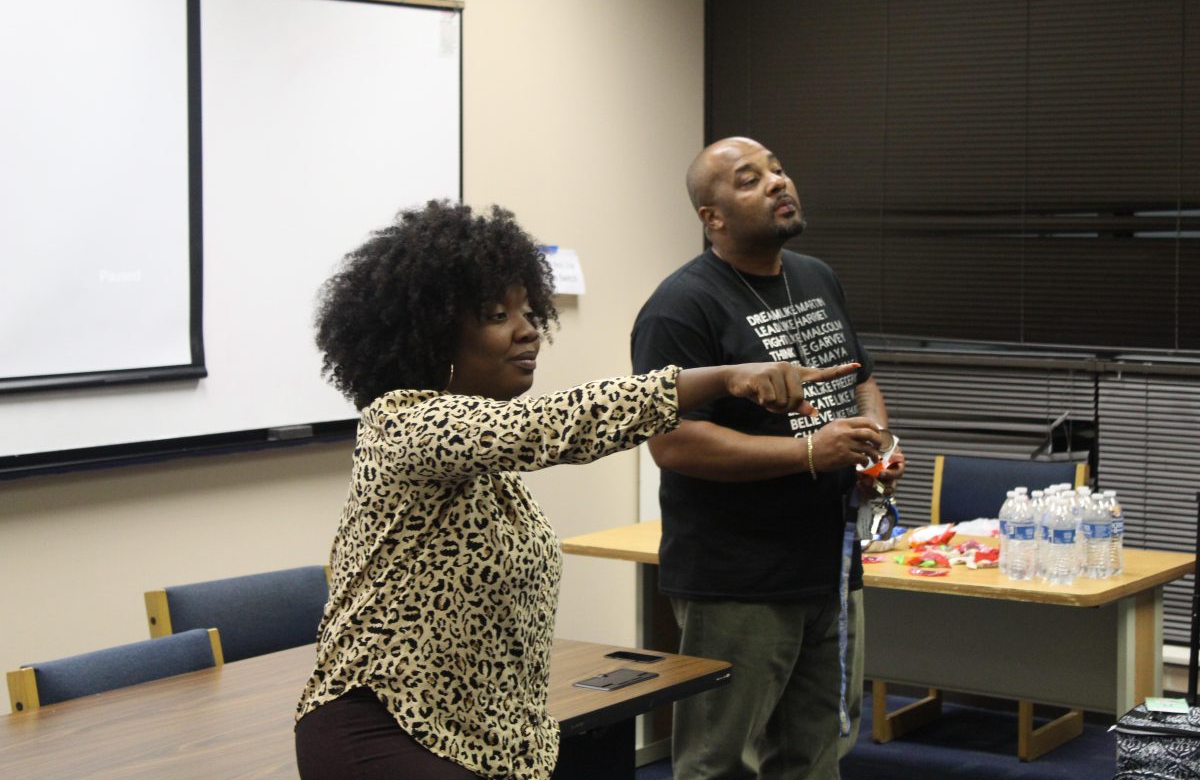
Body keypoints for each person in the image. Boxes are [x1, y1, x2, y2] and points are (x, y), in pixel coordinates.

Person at [293, 199, 859, 780]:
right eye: (495, 315)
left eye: (527, 310)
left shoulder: (483, 461)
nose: (527, 330)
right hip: (385, 729)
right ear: (431, 336)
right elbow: (563, 424)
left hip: (487, 740)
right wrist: (724, 377)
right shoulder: (404, 426)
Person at [630, 137, 906, 779]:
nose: (778, 183)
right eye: (750, 179)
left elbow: (861, 378)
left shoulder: (816, 275)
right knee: (722, 758)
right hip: (739, 577)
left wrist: (875, 443)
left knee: (817, 752)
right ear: (713, 217)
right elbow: (670, 442)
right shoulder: (681, 306)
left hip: (830, 564)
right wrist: (810, 451)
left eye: (778, 170)